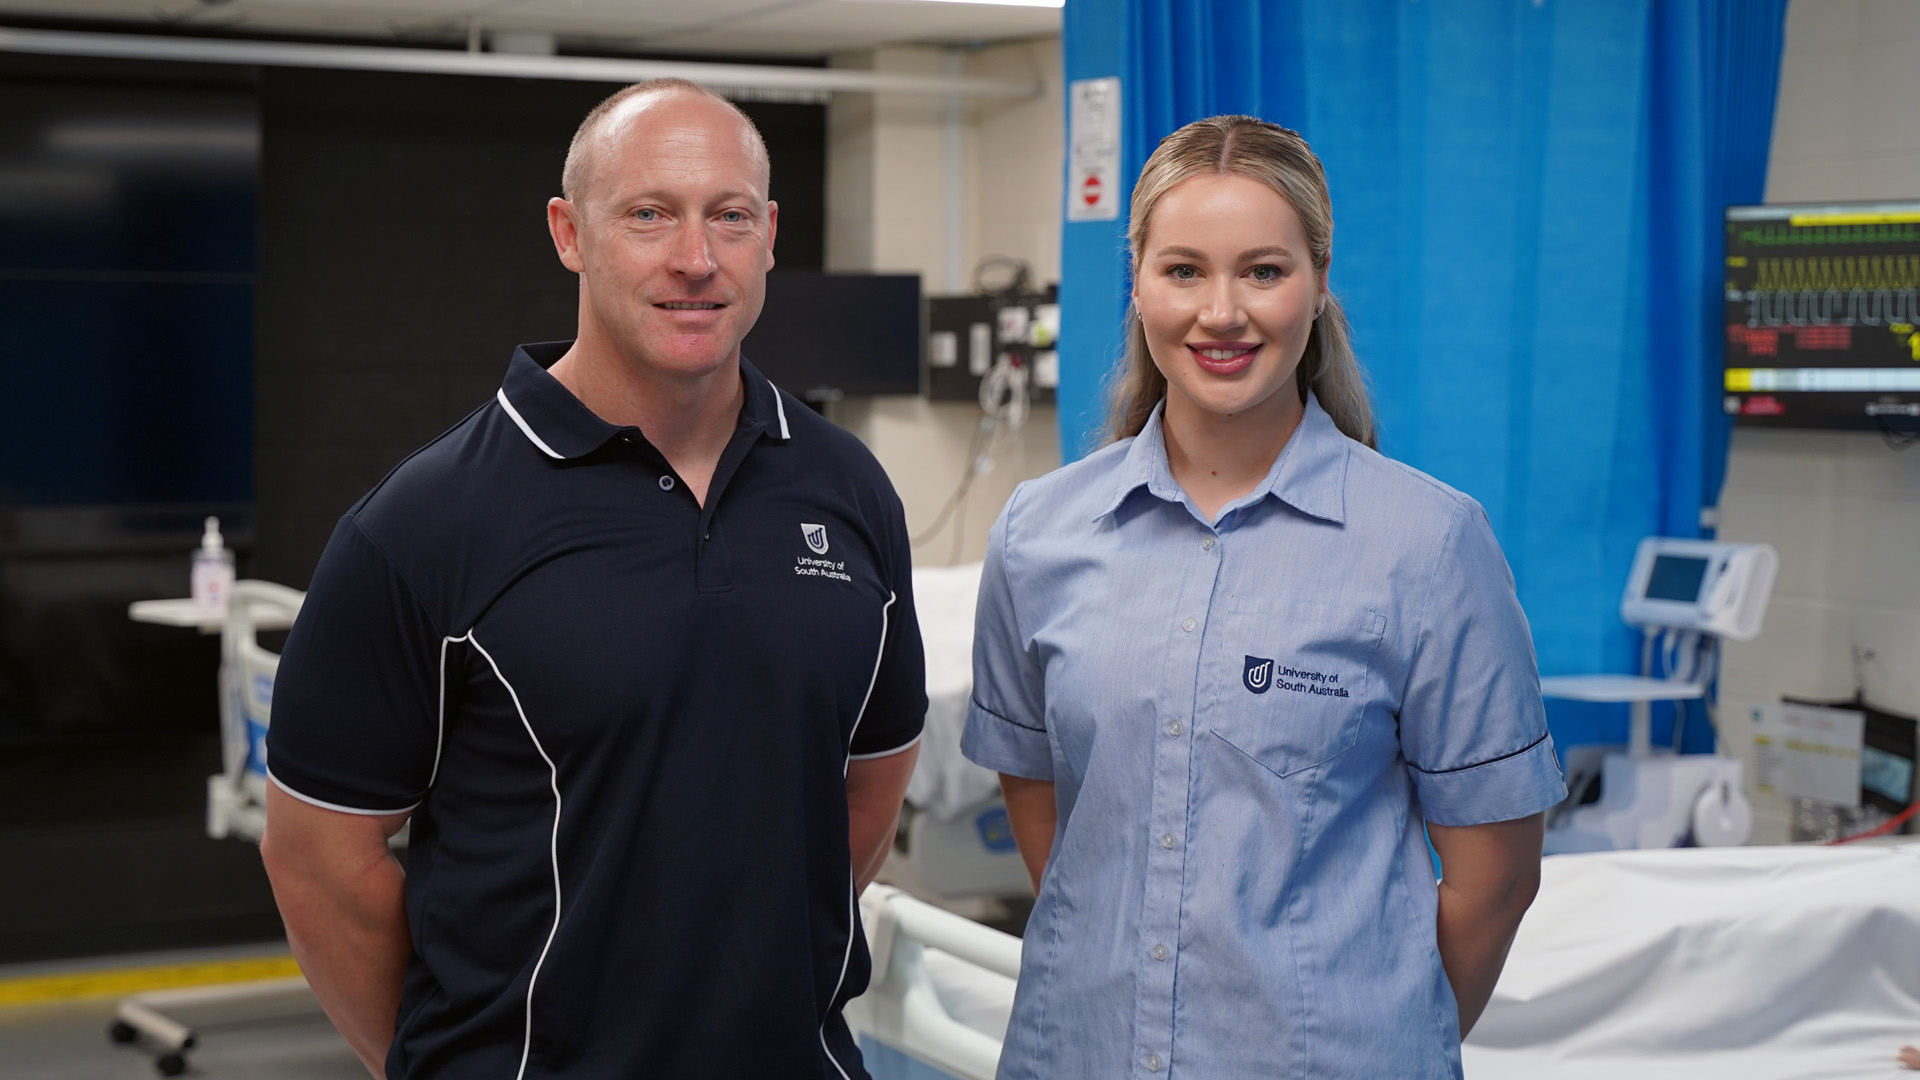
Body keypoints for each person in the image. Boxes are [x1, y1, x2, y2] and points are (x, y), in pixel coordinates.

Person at [259, 79, 926, 1080]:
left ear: (771, 235)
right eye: (649, 214)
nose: (695, 260)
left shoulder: (849, 490)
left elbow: (866, 792)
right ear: (570, 233)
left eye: (729, 217)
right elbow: (319, 859)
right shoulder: (426, 524)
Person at [961, 115, 1566, 1079]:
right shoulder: (1042, 532)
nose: (1223, 312)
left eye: (1265, 271)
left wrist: (1367, 1032)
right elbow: (1056, 823)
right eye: (1185, 270)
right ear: (1139, 285)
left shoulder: (1427, 545)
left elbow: (1495, 878)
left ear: (1320, 286)